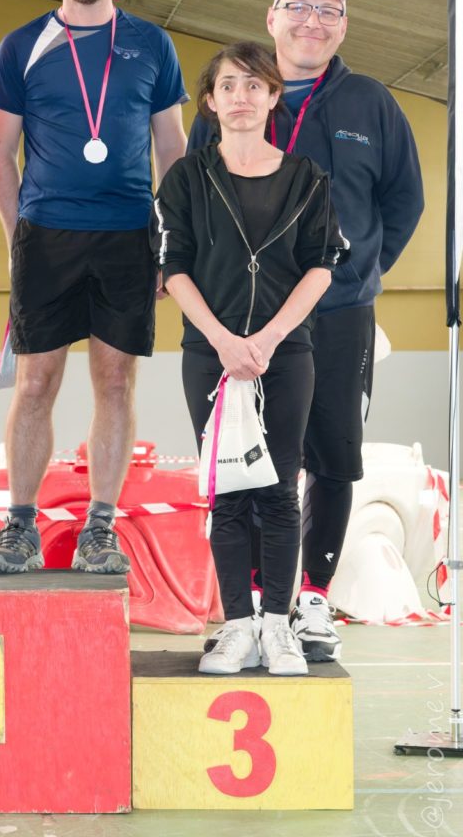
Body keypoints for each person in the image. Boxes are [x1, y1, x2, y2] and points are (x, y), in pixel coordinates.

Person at [188, 0, 424, 660]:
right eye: (299, 8)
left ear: (345, 26)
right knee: (252, 459)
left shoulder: (371, 104)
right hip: (248, 326)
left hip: (339, 312)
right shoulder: (238, 97)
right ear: (272, 16)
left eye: (330, 11)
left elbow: (403, 203)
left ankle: (313, 601)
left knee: (332, 457)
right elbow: (198, 197)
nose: (313, 21)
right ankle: (261, 606)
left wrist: (360, 271)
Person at [0, 0, 187, 574]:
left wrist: (171, 245)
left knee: (116, 383)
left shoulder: (152, 45)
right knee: (36, 382)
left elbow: (173, 153)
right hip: (48, 236)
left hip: (128, 237)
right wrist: (20, 240)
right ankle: (20, 525)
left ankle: (101, 527)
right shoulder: (21, 47)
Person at [153, 41, 349, 675]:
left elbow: (321, 267)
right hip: (209, 353)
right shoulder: (187, 176)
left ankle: (277, 627)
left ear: (273, 97)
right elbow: (173, 268)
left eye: (254, 86)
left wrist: (265, 341)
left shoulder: (307, 179)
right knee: (228, 493)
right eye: (228, 86)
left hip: (285, 356)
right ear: (210, 101)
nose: (241, 97)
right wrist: (223, 341)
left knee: (279, 490)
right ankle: (236, 624)